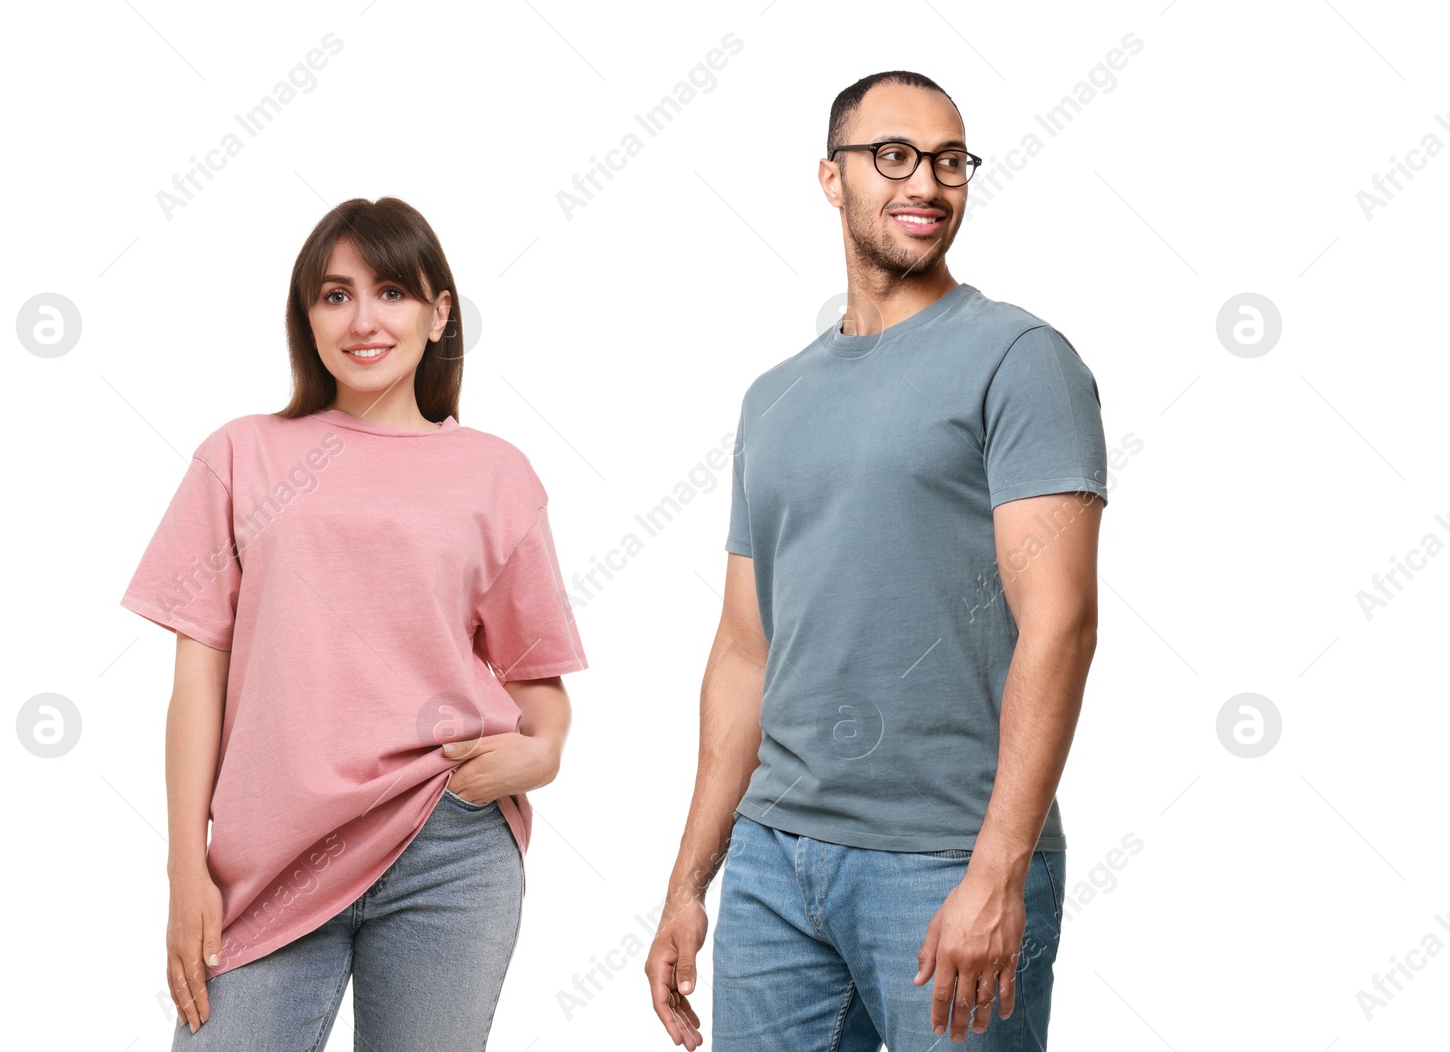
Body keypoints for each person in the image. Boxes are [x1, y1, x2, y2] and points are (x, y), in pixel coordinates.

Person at [644, 71, 1108, 1050]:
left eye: (949, 160)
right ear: (830, 177)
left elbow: (1058, 620)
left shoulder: (1018, 357)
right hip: (774, 860)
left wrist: (996, 870)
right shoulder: (773, 397)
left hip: (943, 857)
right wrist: (691, 881)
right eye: (893, 156)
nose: (926, 184)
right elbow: (742, 648)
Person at [119, 196, 588, 1050]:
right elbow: (199, 679)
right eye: (336, 296)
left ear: (439, 311)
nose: (363, 320)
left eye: (392, 293)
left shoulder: (495, 472)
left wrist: (542, 751)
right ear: (306, 316)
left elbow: (539, 686)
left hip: (449, 842)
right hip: (268, 860)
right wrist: (187, 867)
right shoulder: (240, 454)